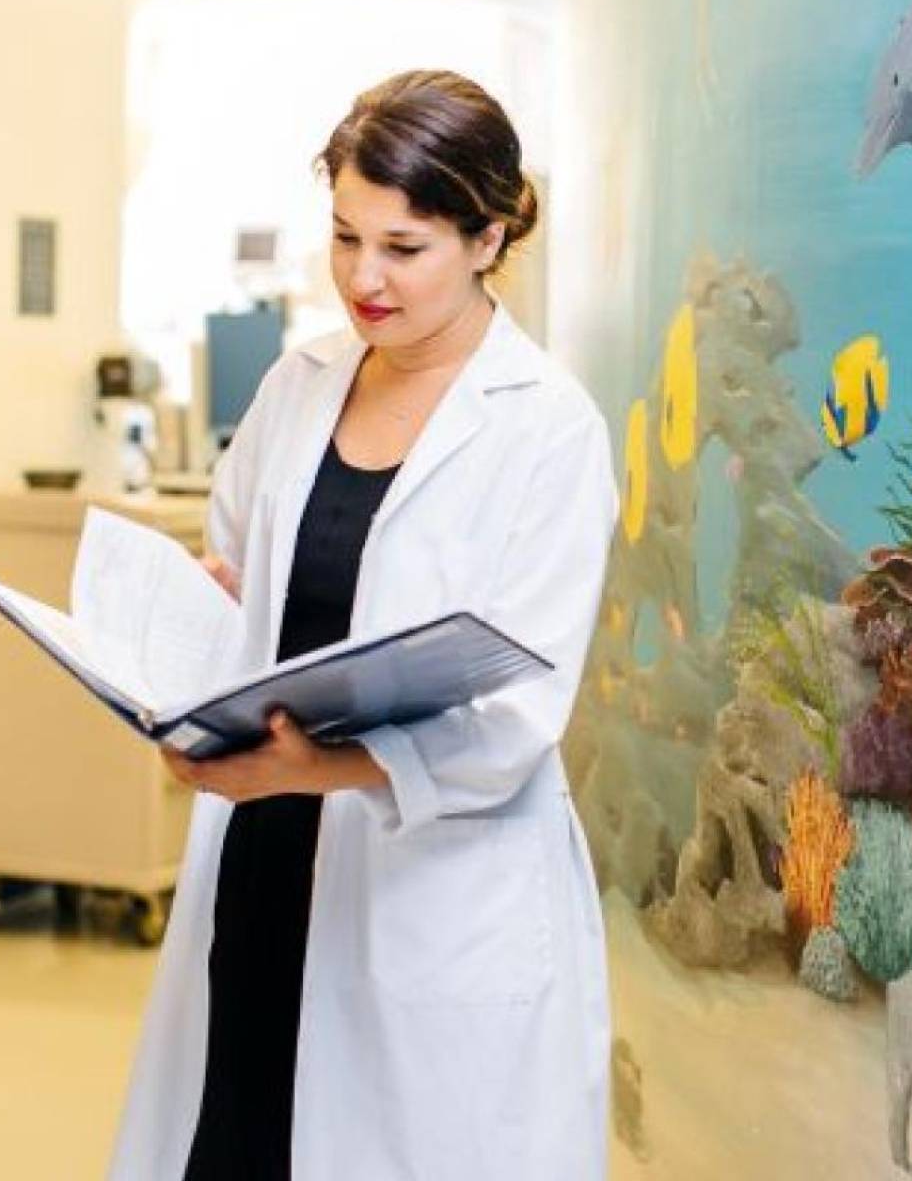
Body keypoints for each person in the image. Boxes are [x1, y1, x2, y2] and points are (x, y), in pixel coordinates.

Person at [109, 70, 618, 1181]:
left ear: (489, 237)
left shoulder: (550, 433)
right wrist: (190, 619)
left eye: (404, 246)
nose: (363, 279)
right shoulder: (301, 386)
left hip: (430, 874)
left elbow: (518, 716)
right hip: (266, 856)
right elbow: (244, 568)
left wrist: (324, 765)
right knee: (233, 1139)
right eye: (344, 237)